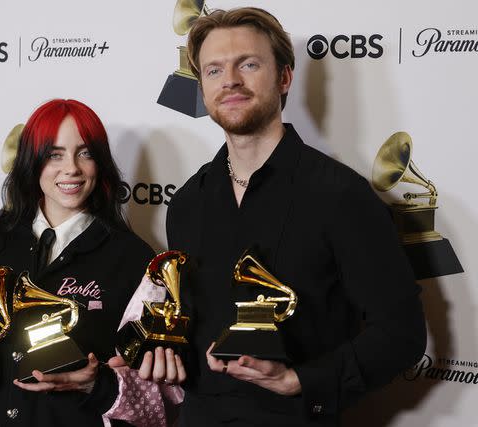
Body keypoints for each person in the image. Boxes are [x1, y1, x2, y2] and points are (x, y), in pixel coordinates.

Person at [166, 8, 427, 426]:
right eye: (214, 70)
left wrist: (300, 380)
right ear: (202, 87)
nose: (230, 80)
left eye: (248, 64)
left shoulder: (342, 196)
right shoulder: (186, 204)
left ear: (284, 78)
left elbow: (402, 334)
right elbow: (192, 326)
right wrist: (159, 351)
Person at [0, 99, 184, 427]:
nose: (71, 168)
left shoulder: (135, 261)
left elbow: (162, 406)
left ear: (99, 163)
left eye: (85, 153)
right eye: (54, 154)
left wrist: (96, 384)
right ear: (32, 161)